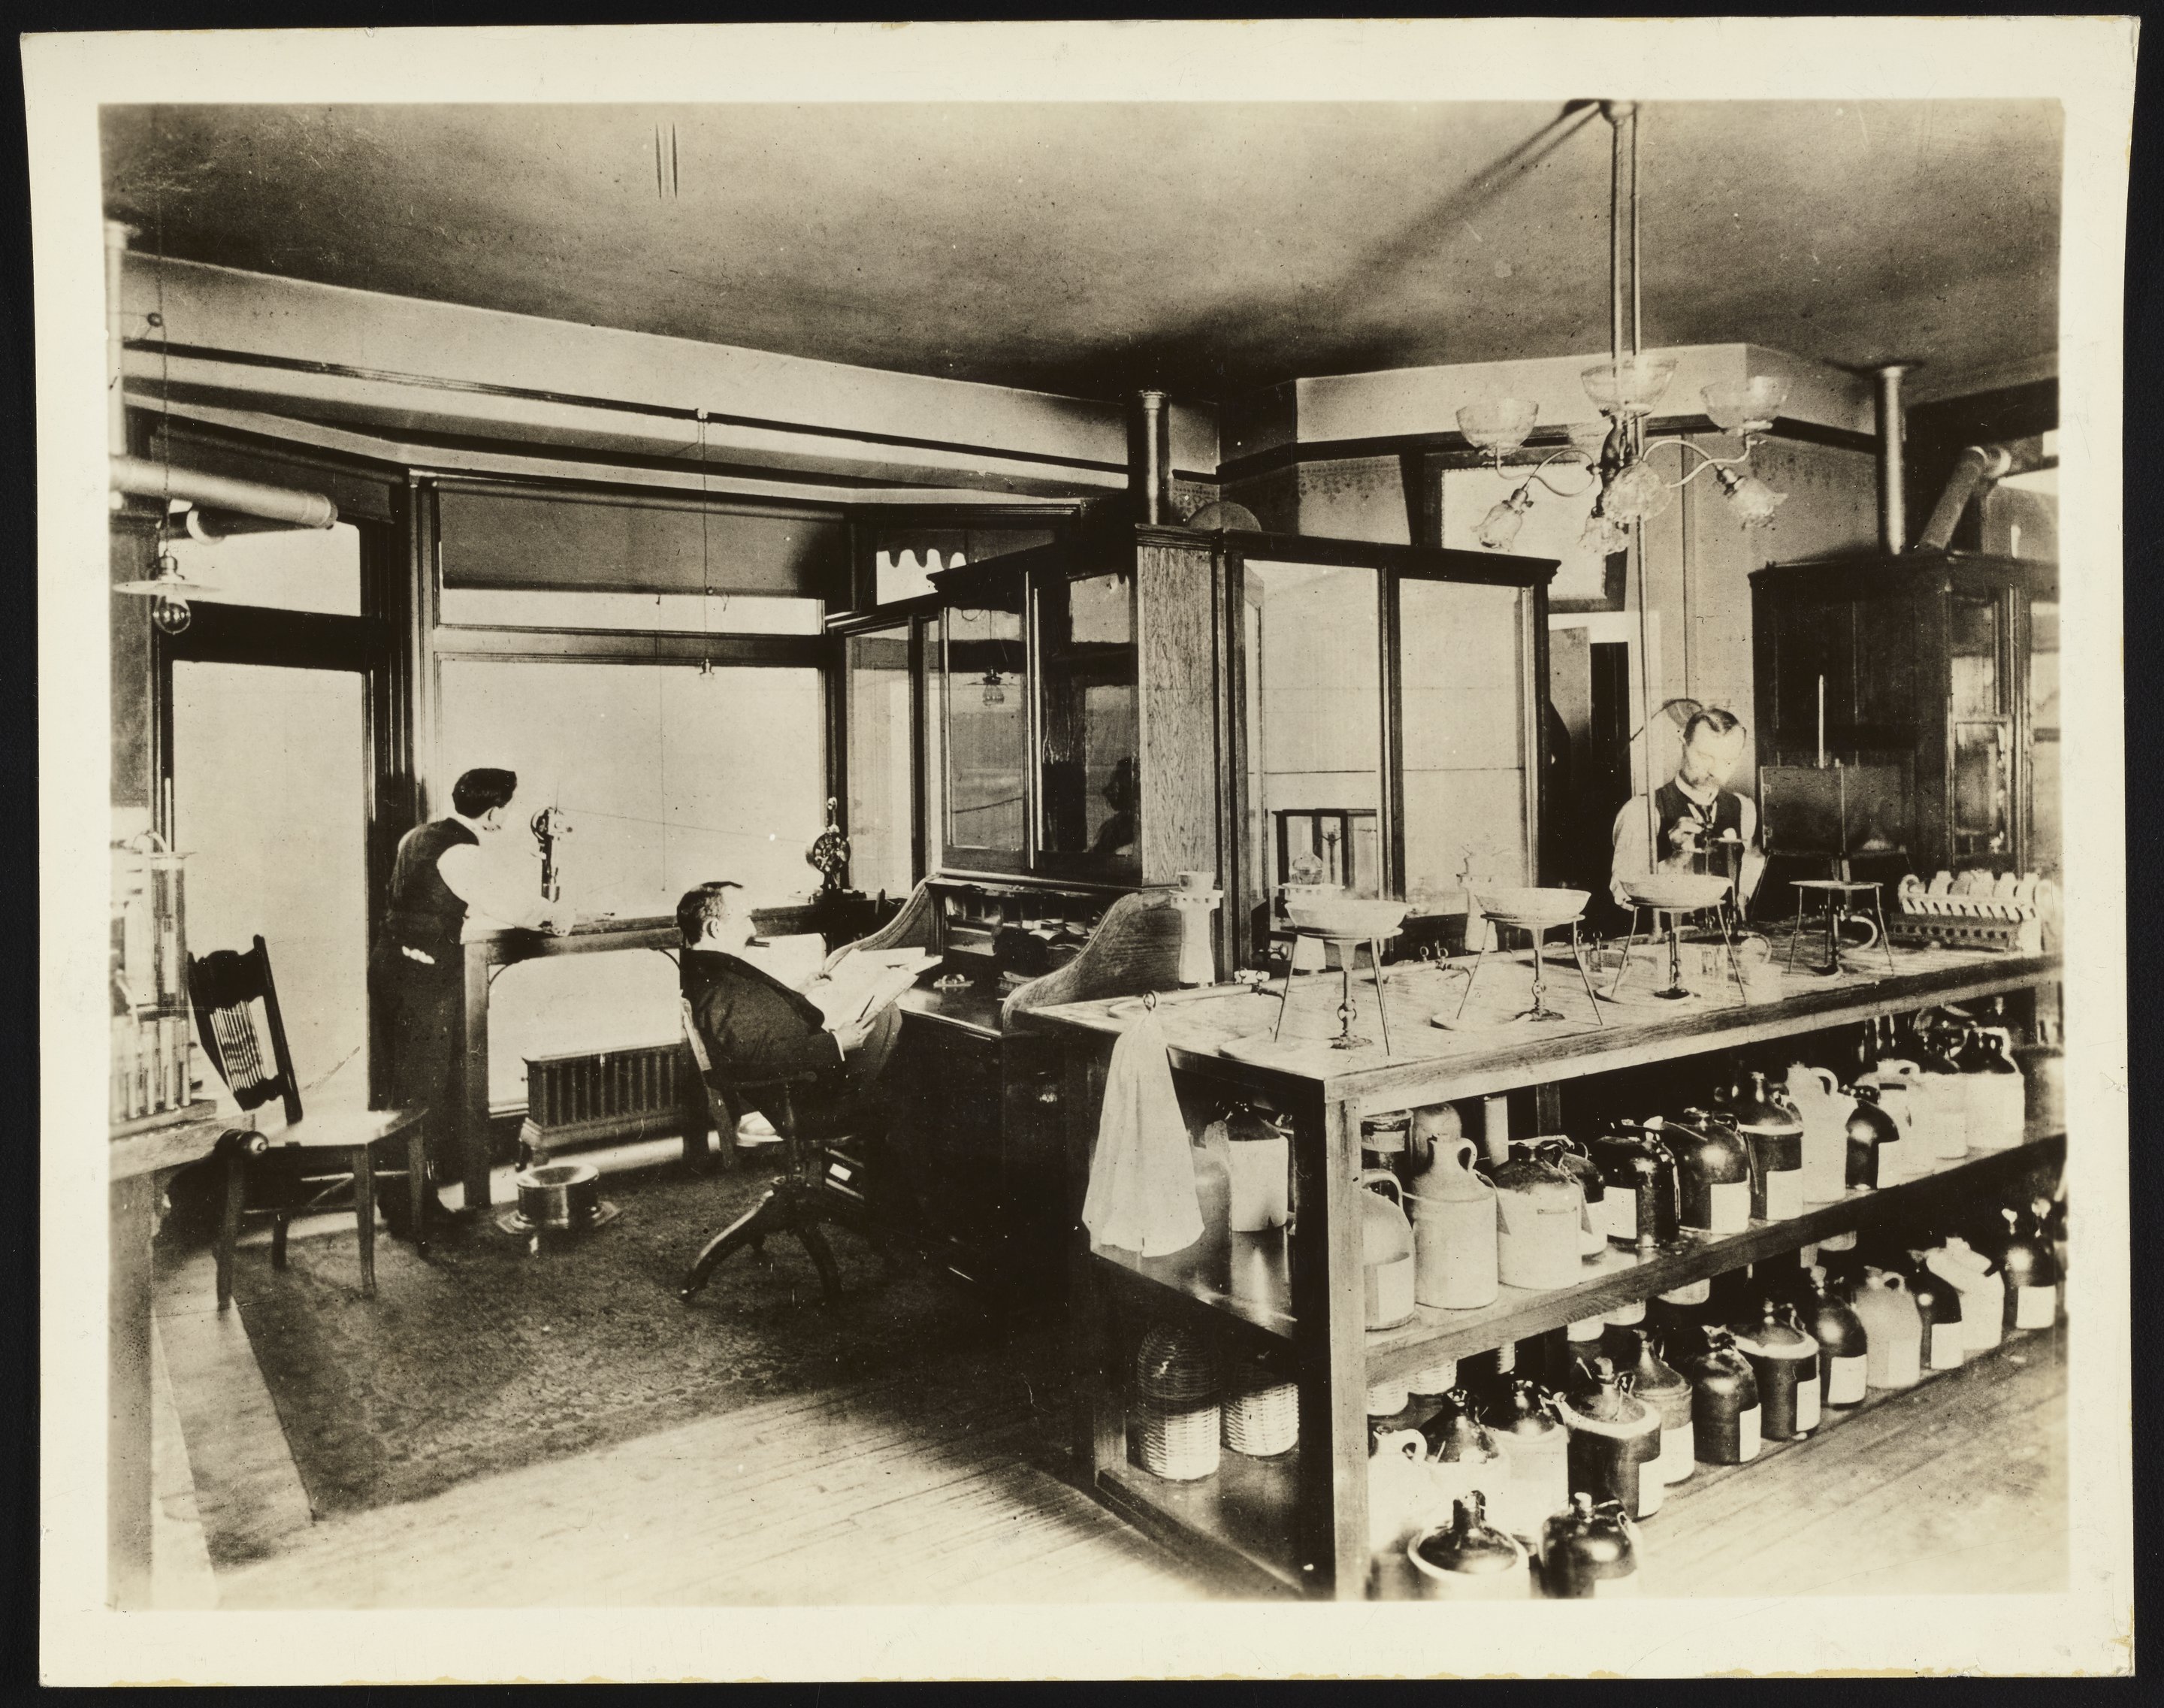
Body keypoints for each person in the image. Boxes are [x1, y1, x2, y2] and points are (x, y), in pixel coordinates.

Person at [369, 767, 570, 1232]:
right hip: (422, 976)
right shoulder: (463, 851)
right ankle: (411, 1210)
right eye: (507, 809)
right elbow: (517, 907)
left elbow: (430, 900)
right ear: (495, 812)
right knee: (422, 1090)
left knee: (403, 1087)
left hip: (391, 965)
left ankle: (402, 1201)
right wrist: (560, 915)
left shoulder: (418, 836)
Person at [678, 880, 903, 1144]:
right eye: (746, 918)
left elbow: (753, 1025)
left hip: (796, 1092)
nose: (752, 929)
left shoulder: (710, 972)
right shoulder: (719, 985)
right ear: (715, 928)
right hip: (804, 1107)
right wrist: (837, 1042)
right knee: (899, 1065)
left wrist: (799, 993)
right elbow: (761, 1057)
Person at [1609, 706, 1767, 914]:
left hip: (1723, 932)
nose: (1715, 770)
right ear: (1682, 745)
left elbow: (1753, 862)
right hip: (1668, 933)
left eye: (1728, 760)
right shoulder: (1642, 811)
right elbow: (1623, 895)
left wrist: (1742, 896)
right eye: (1704, 756)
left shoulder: (1744, 808)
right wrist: (1674, 860)